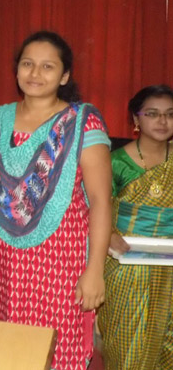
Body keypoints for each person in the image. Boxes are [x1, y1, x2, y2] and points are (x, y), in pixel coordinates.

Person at [0, 31, 112, 370]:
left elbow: (100, 200)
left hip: (62, 262)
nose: (35, 73)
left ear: (64, 76)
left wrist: (95, 270)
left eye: (48, 66)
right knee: (6, 347)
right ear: (16, 70)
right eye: (27, 64)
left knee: (56, 348)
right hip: (5, 261)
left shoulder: (82, 122)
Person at [97, 85, 173, 369]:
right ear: (136, 119)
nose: (163, 121)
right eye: (152, 114)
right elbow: (93, 205)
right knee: (128, 350)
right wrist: (108, 236)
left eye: (170, 114)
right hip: (126, 265)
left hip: (171, 267)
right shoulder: (114, 161)